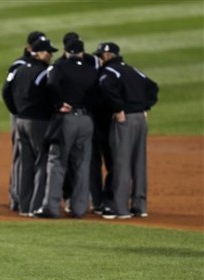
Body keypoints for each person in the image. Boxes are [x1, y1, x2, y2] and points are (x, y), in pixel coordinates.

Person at [34, 39, 99, 218]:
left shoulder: (60, 67)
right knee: (82, 164)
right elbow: (97, 94)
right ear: (82, 52)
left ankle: (51, 208)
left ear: (66, 52)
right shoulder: (91, 70)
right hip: (86, 120)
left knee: (57, 162)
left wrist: (60, 103)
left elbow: (51, 84)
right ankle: (79, 209)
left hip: (66, 120)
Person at [94, 42, 159, 219]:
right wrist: (144, 106)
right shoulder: (133, 70)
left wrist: (118, 109)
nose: (99, 59)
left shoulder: (109, 72)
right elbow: (152, 87)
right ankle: (140, 206)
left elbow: (107, 89)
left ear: (107, 56)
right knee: (139, 162)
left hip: (125, 120)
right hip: (140, 119)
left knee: (121, 164)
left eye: (100, 56)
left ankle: (120, 208)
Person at [2, 37, 58, 216]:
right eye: (48, 52)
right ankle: (36, 206)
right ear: (39, 53)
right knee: (41, 162)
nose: (50, 55)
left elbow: (6, 91)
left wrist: (16, 110)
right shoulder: (44, 72)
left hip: (20, 121)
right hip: (38, 122)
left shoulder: (19, 69)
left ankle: (24, 207)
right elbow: (51, 97)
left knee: (25, 163)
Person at [55, 32, 102, 214]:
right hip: (90, 118)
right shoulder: (93, 63)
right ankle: (90, 200)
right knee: (88, 160)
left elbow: (52, 88)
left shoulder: (59, 65)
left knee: (66, 160)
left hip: (68, 119)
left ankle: (71, 198)